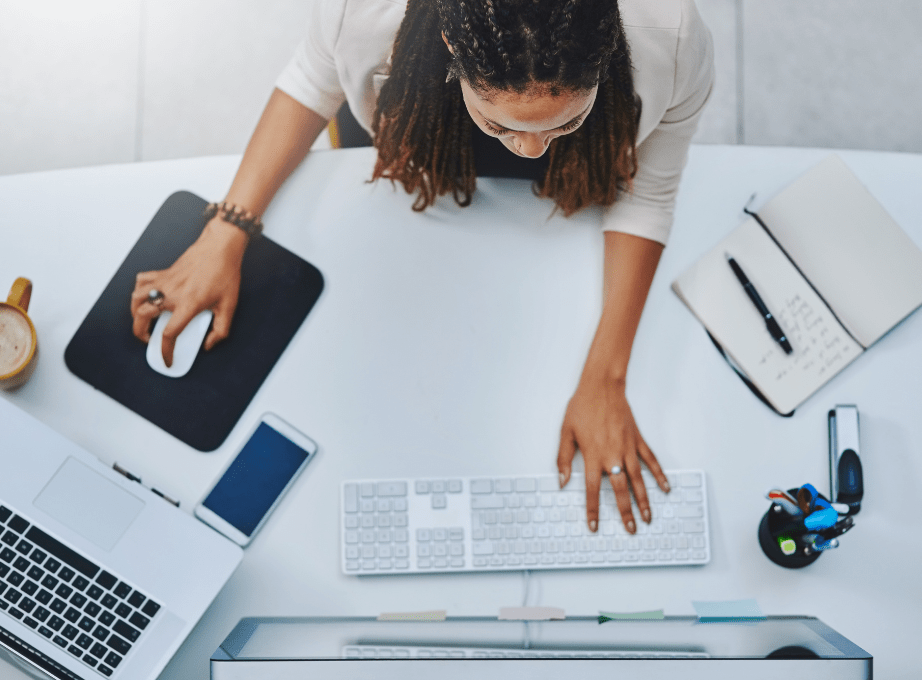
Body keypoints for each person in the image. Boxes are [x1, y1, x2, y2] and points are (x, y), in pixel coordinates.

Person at [130, 0, 713, 536]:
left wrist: (605, 379)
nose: (531, 150)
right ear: (450, 47)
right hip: (410, 150)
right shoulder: (360, 13)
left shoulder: (675, 35)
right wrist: (228, 227)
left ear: (610, 53)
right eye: (501, 124)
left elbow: (652, 190)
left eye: (564, 123)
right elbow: (312, 79)